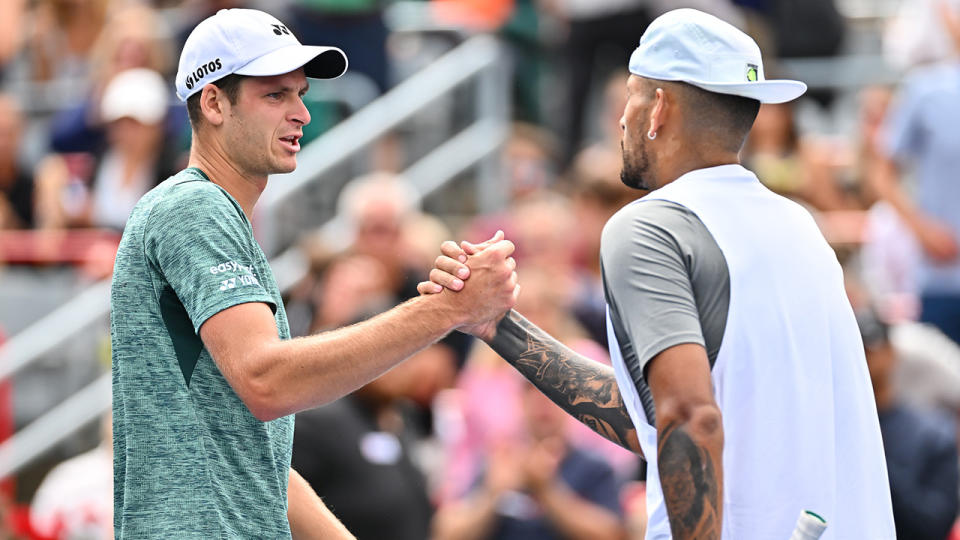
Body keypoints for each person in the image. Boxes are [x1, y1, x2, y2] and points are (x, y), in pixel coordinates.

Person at [421, 9, 895, 539]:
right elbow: (654, 420)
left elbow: (690, 416)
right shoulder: (800, 227)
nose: (622, 118)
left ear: (659, 107)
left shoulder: (649, 227)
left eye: (631, 94)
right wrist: (496, 324)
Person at [110, 8, 519, 539]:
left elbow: (257, 458)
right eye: (275, 95)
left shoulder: (210, 215)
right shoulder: (195, 209)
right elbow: (267, 380)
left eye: (300, 93)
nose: (302, 113)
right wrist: (448, 308)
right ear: (213, 102)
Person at [432, 382, 626, 540]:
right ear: (521, 401)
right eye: (534, 393)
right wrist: (493, 493)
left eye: (552, 396)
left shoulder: (593, 467)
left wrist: (547, 489)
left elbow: (612, 534)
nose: (543, 405)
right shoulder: (499, 460)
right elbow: (447, 532)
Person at [857, 308, 959, 540]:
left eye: (871, 349)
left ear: (892, 352)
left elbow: (934, 525)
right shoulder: (832, 430)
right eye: (858, 350)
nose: (866, 359)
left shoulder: (932, 435)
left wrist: (879, 466)